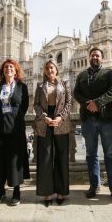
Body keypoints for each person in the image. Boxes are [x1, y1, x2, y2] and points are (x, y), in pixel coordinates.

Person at [74, 47, 112, 205]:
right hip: (88, 119)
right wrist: (88, 105)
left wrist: (98, 103)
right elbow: (76, 93)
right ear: (89, 57)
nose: (95, 57)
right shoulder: (81, 75)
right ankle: (94, 185)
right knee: (91, 154)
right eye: (93, 55)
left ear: (102, 57)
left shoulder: (109, 73)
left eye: (98, 55)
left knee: (109, 154)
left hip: (106, 119)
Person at [0, 59, 29, 206]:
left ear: (16, 71)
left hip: (15, 128)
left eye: (11, 67)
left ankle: (16, 190)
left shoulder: (22, 87)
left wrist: (13, 118)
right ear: (2, 71)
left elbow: (24, 106)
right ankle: (1, 190)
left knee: (14, 160)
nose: (8, 69)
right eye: (6, 67)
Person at [33, 60, 72, 207]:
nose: (50, 70)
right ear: (44, 71)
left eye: (52, 68)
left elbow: (69, 103)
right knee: (45, 158)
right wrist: (44, 117)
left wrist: (60, 117)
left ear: (57, 70)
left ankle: (61, 192)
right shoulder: (40, 86)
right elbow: (36, 104)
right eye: (47, 68)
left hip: (60, 121)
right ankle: (47, 193)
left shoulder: (65, 83)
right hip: (45, 121)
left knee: (62, 157)